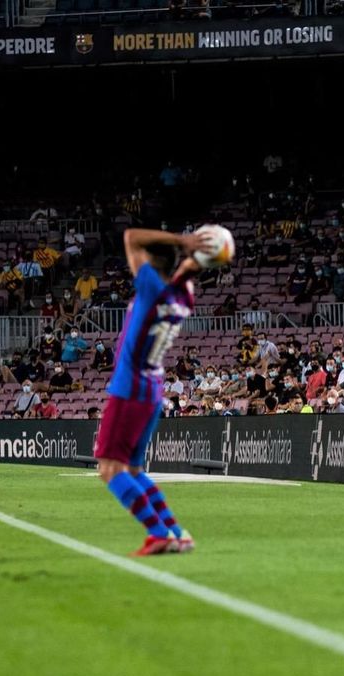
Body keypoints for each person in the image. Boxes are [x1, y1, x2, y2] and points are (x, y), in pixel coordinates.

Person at [95, 227, 211, 556]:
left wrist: (183, 243)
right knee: (132, 469)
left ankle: (158, 532)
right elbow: (186, 274)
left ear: (150, 262)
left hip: (129, 387)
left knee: (108, 469)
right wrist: (192, 259)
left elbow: (130, 236)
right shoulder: (180, 298)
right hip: (151, 388)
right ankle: (177, 533)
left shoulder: (152, 288)